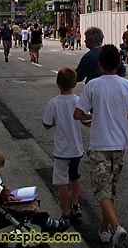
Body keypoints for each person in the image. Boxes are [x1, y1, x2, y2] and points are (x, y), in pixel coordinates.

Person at [74, 45, 128, 247]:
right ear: (119, 63)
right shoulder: (126, 85)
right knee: (110, 188)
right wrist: (122, 114)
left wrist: (93, 116)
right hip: (120, 144)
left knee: (100, 189)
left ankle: (116, 226)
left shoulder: (93, 85)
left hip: (100, 143)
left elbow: (78, 114)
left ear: (99, 64)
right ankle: (104, 229)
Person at [0, 145, 69, 231]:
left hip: (0, 208)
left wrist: (6, 195)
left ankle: (48, 223)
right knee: (30, 207)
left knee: (33, 202)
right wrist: (2, 197)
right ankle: (49, 224)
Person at [42, 67, 85, 222]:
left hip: (61, 150)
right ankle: (76, 203)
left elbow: (47, 124)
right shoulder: (79, 101)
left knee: (61, 180)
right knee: (75, 175)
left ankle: (65, 212)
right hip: (77, 148)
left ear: (57, 83)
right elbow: (86, 120)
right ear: (74, 84)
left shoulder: (53, 103)